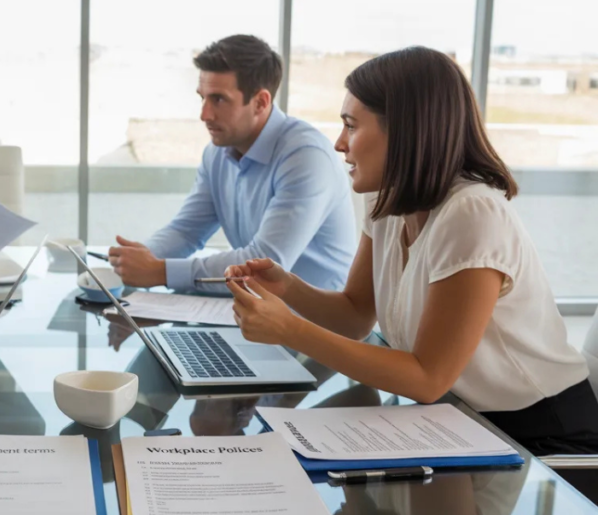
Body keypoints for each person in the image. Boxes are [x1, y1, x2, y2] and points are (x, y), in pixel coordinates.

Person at [226, 46, 598, 455]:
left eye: (351, 126)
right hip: (453, 419)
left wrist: (291, 329)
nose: (339, 143)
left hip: (538, 436)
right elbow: (354, 315)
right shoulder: (387, 200)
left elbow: (427, 377)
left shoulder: (472, 213)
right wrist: (288, 289)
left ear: (405, 131)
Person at [108, 34, 356, 295]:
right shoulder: (217, 153)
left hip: (314, 323)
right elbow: (186, 232)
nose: (204, 114)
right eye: (202, 98)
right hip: (257, 311)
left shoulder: (306, 157)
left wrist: (160, 272)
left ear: (260, 102)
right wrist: (138, 260)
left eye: (218, 99)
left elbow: (264, 264)